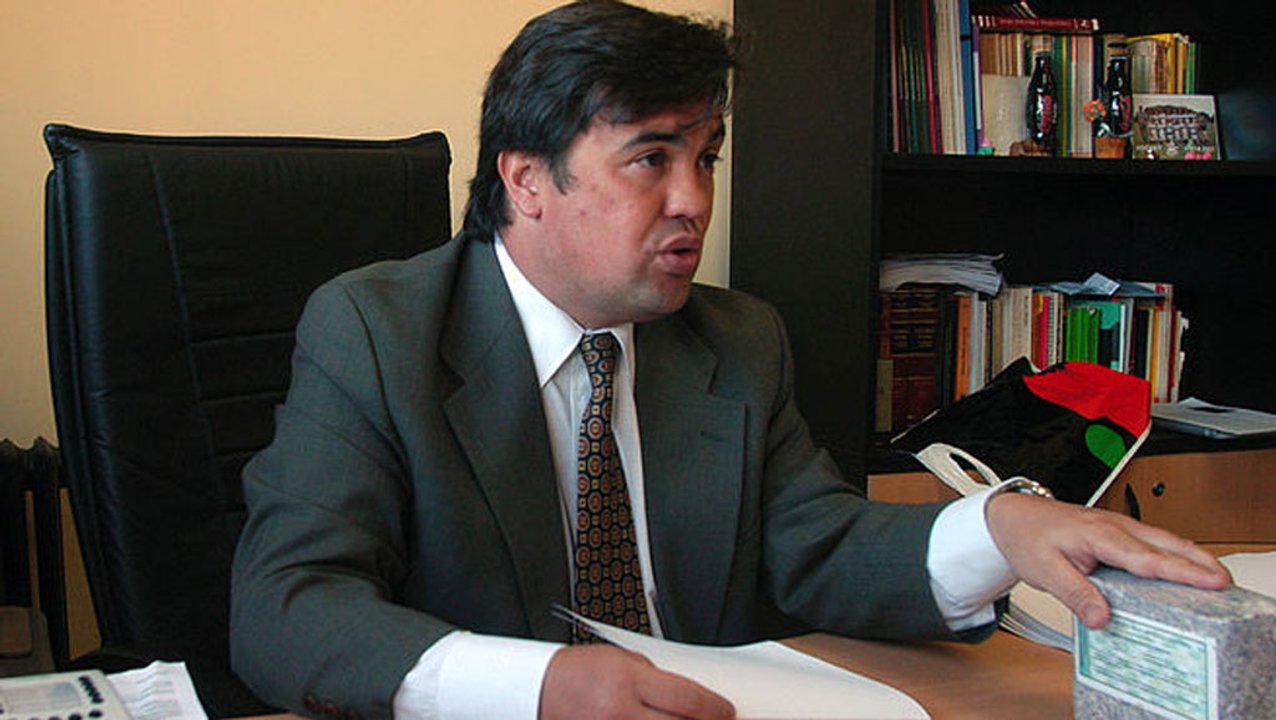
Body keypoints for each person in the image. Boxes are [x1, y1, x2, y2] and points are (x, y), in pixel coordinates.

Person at [229, 2, 1231, 718]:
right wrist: (538, 687)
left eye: (704, 158)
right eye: (650, 159)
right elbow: (287, 608)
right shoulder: (376, 331)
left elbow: (818, 548)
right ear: (527, 180)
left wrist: (997, 527)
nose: (694, 200)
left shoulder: (737, 339)